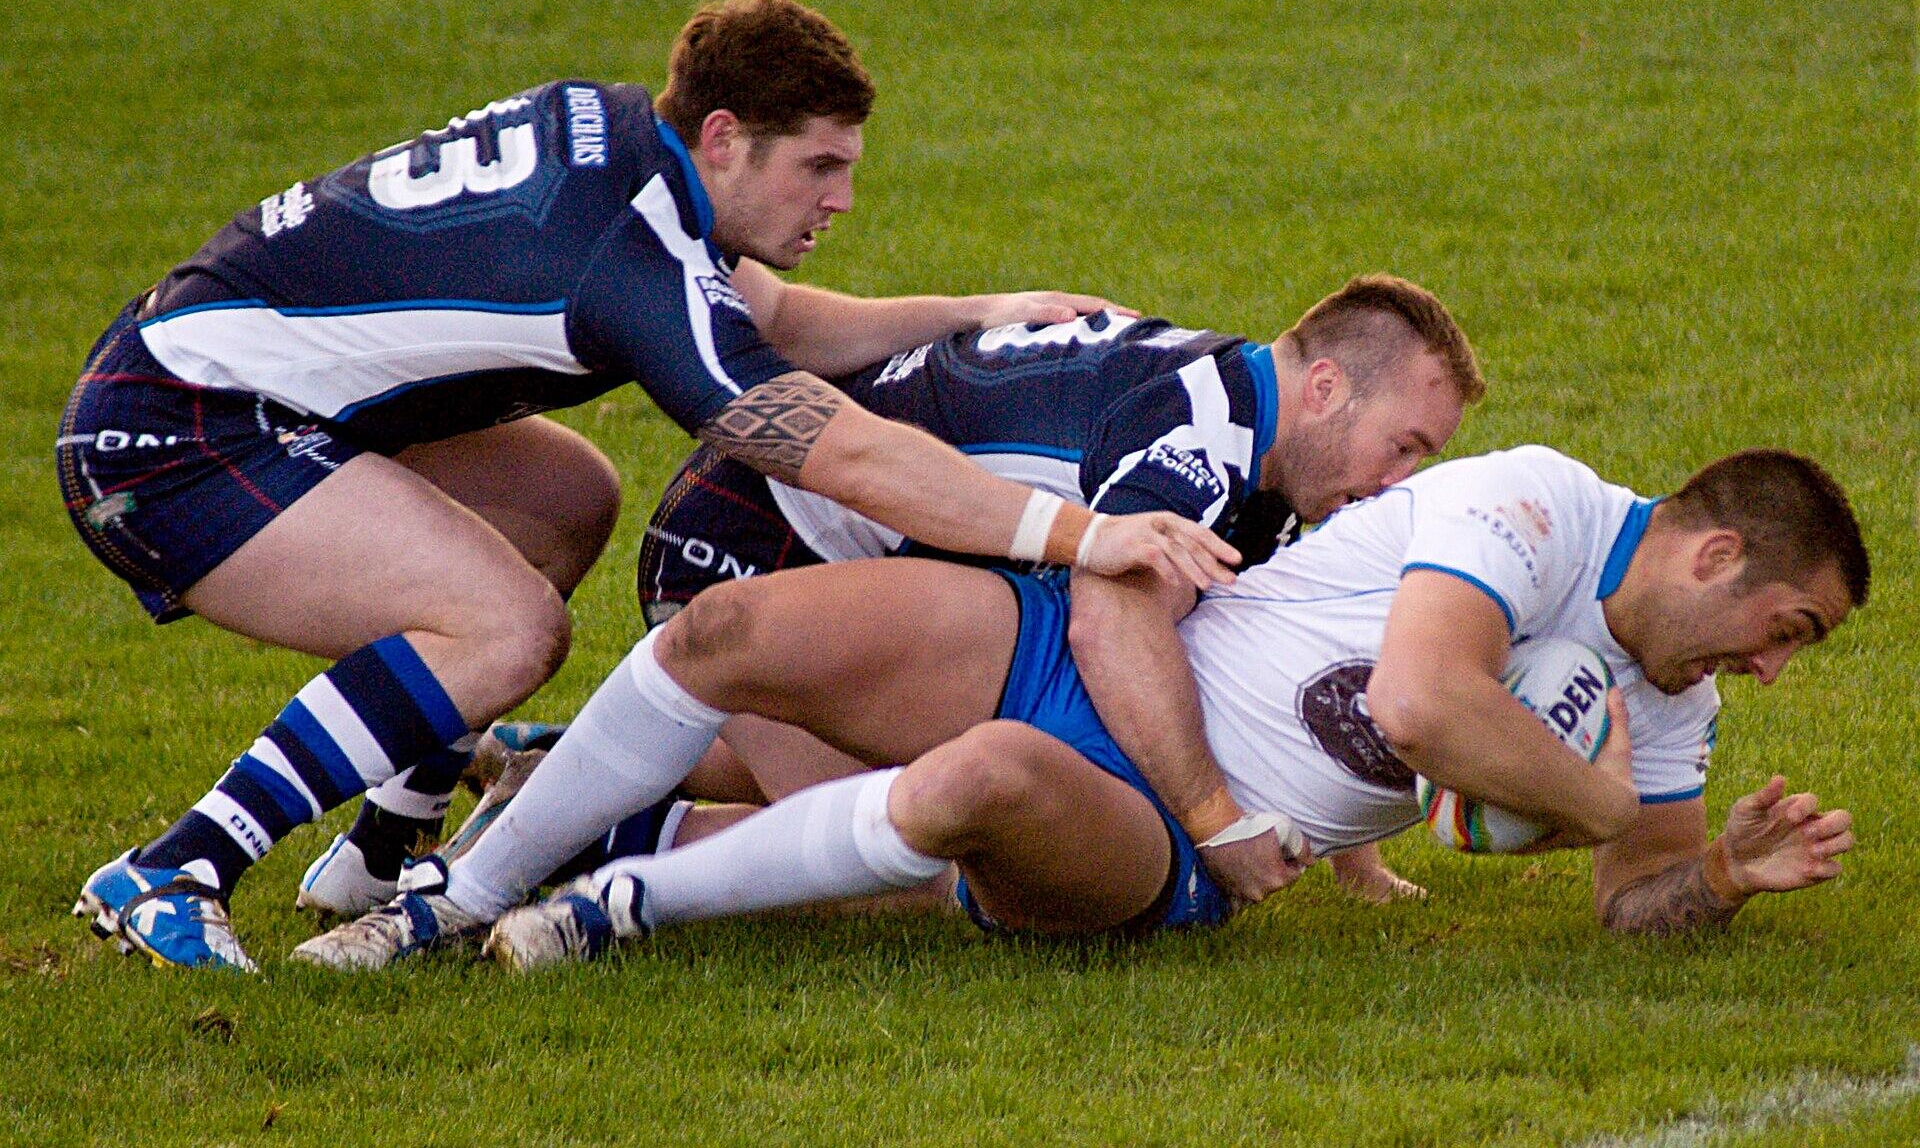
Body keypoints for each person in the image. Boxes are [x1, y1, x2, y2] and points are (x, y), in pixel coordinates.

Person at [60, 0, 1237, 971]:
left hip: (222, 380)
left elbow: (763, 318)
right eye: (819, 165)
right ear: (725, 137)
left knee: (568, 498)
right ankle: (171, 869)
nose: (841, 197)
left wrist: (978, 311)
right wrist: (1085, 535)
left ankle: (380, 847)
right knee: (506, 625)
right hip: (177, 431)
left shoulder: (629, 144)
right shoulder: (627, 259)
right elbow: (852, 456)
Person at [431, 443, 1863, 967]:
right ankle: (458, 883)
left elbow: (1634, 903)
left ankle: (613, 893)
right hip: (1093, 655)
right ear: (1717, 556)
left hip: (1171, 846)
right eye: (1783, 629)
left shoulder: (1669, 697)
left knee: (976, 783)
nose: (1773, 668)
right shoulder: (1536, 503)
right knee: (729, 632)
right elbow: (1422, 706)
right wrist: (1602, 802)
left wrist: (1720, 872)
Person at [390, 272, 1483, 922]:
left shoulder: (1266, 440)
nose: (1397, 481)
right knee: (923, 846)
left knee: (988, 776)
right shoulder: (1199, 440)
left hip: (857, 546)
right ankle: (575, 833)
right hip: (747, 549)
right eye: (1405, 444)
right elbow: (1112, 618)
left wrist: (1356, 855)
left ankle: (562, 764)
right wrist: (1215, 820)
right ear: (1329, 387)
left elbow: (1257, 654)